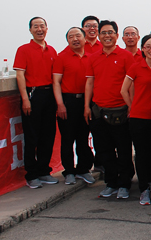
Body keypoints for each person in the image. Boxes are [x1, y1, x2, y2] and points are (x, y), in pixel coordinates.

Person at [84, 20, 136, 199]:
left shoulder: (125, 56)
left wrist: (131, 106)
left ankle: (125, 183)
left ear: (116, 35)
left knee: (123, 149)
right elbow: (89, 82)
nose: (107, 36)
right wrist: (86, 106)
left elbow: (131, 84)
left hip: (120, 110)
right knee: (104, 150)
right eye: (104, 33)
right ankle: (111, 183)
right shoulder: (93, 57)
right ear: (99, 36)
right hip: (98, 110)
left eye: (110, 32)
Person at [13, 17, 59, 188]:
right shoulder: (23, 49)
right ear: (30, 30)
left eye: (42, 26)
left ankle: (44, 171)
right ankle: (31, 175)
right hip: (33, 95)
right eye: (35, 26)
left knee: (48, 135)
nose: (39, 29)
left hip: (50, 95)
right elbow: (20, 75)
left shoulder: (52, 50)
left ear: (47, 28)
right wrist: (25, 99)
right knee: (32, 136)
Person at [120, 35, 151, 205]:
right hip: (139, 117)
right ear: (143, 49)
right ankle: (144, 188)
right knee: (141, 153)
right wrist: (132, 106)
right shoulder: (136, 66)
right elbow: (123, 90)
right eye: (147, 46)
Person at [52, 27, 95, 186]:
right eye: (71, 37)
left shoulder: (91, 57)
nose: (75, 39)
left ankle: (84, 169)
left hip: (86, 101)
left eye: (78, 36)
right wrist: (60, 104)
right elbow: (56, 82)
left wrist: (88, 105)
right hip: (67, 101)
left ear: (85, 39)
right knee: (67, 138)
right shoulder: (61, 58)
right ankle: (69, 171)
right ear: (67, 40)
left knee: (83, 137)